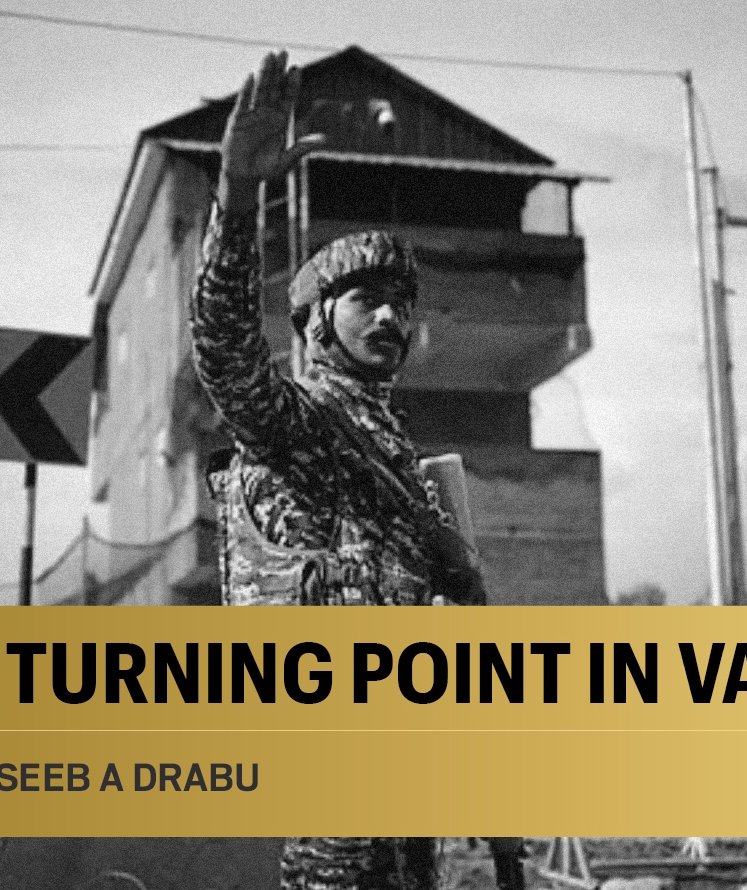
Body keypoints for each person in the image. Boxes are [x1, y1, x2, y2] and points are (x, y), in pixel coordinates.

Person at [192, 49, 483, 890]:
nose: (391, 316)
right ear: (316, 319)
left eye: (402, 304)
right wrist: (236, 201)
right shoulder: (297, 426)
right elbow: (225, 353)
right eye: (366, 299)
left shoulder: (402, 458)